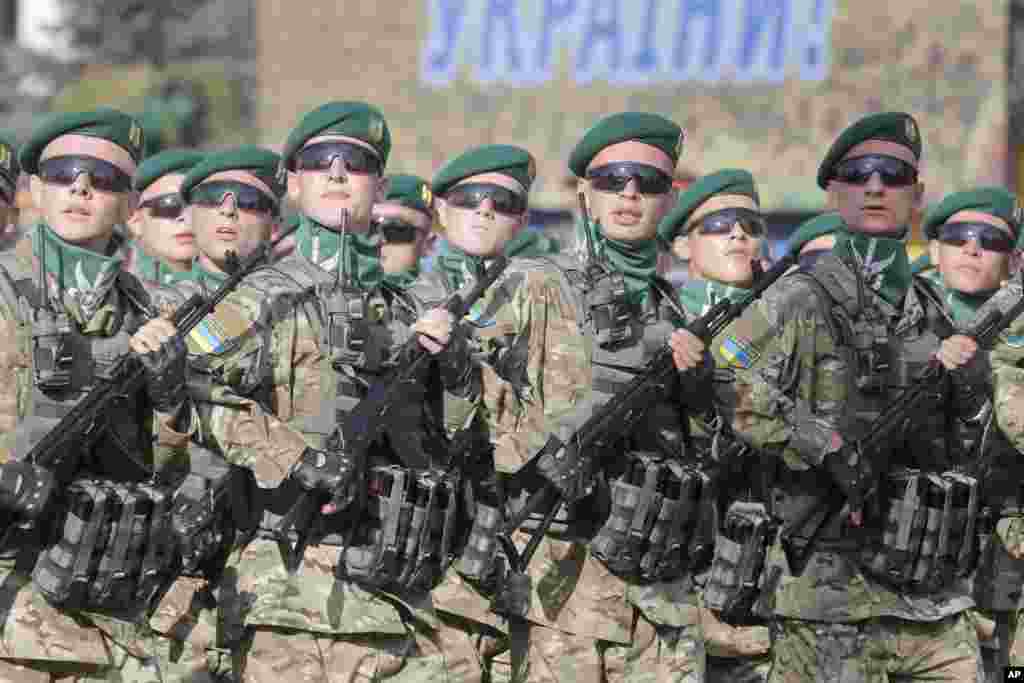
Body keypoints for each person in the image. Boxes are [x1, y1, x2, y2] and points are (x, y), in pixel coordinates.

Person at [133, 100, 486, 682]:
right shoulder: (258, 295)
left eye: (358, 164)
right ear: (294, 184)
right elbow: (191, 391)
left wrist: (454, 367)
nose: (341, 175)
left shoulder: (419, 305)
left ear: (380, 183)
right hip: (292, 596)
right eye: (322, 163)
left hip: (406, 590)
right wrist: (293, 457)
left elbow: (463, 439)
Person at [671, 111, 985, 681]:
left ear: (916, 194)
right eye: (858, 173)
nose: (874, 186)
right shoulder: (798, 299)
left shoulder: (933, 310)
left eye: (891, 175)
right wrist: (821, 441)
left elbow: (965, 447)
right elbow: (728, 386)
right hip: (826, 593)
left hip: (929, 595)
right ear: (835, 191)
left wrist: (970, 390)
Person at [489, 111, 706, 682]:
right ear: (585, 192)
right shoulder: (537, 282)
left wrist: (700, 385)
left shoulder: (680, 310)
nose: (630, 193)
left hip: (662, 593)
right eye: (612, 180)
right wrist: (537, 449)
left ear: (669, 198)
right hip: (564, 586)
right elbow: (459, 381)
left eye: (648, 182)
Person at [0, 107, 201, 682]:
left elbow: (170, 473)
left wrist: (167, 397)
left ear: (130, 205)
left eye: (103, 178)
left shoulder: (152, 311)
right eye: (64, 173)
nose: (81, 187)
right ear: (34, 190)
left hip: (105, 606)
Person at [656, 169, 777, 682]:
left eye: (749, 224)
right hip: (672, 576)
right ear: (684, 245)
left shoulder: (795, 320)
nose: (737, 235)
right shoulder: (659, 322)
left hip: (770, 575)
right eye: (720, 225)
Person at [922, 189, 1024, 682]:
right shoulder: (899, 322)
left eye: (990, 239)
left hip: (1004, 549)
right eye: (957, 237)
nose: (972, 248)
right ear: (935, 250)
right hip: (914, 546)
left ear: (1013, 257)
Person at [125, 149, 204, 284]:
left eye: (199, 207)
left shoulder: (243, 285)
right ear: (135, 221)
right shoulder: (111, 287)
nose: (186, 217)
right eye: (169, 205)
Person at [373, 173, 437, 287]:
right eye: (369, 228)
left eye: (396, 231)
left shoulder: (444, 300)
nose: (377, 240)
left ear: (427, 244)